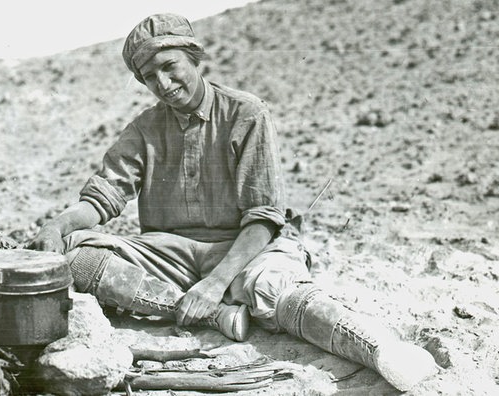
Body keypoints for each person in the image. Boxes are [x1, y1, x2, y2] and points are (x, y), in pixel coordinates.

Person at [29, 13, 437, 391]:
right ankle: (216, 314)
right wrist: (58, 226)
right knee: (76, 255)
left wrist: (216, 283)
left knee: (274, 289)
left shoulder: (246, 113)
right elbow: (105, 195)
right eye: (150, 76)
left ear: (194, 58)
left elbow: (262, 219)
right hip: (169, 256)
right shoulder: (144, 129)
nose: (164, 83)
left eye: (170, 67)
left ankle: (378, 348)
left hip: (246, 250)